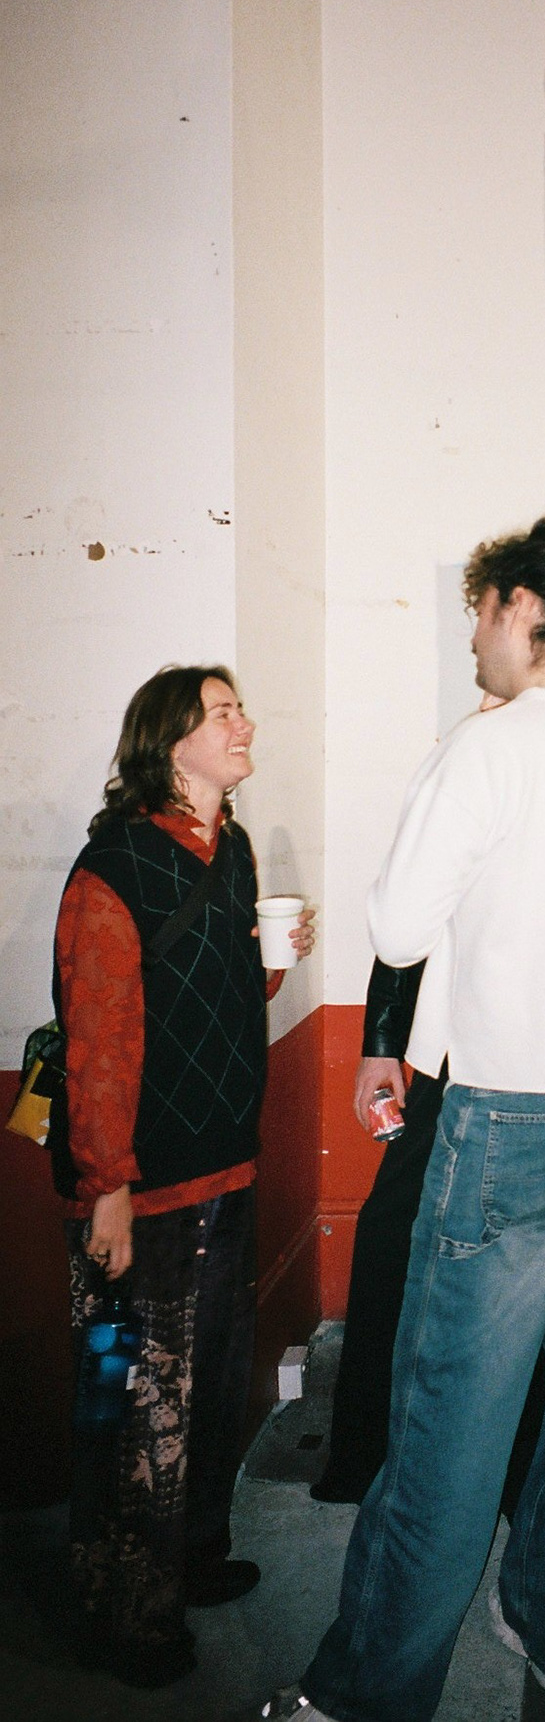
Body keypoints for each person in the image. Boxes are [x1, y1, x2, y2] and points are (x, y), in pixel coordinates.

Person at [260, 516, 545, 1722]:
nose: (470, 636)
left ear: (520, 605)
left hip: (517, 1108)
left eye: (478, 610)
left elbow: (400, 927)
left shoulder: (487, 748)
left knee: (447, 1410)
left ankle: (365, 1690)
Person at [52, 665, 314, 1688]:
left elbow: (225, 987)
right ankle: (125, 1618)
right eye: (221, 712)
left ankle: (194, 1559)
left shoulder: (232, 848)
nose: (245, 722)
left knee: (205, 1386)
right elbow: (98, 1040)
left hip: (225, 1168)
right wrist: (106, 1188)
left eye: (241, 707)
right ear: (170, 744)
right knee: (134, 1407)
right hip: (144, 1192)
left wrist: (276, 959)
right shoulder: (113, 867)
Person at [310, 953, 545, 1514]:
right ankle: (370, 1456)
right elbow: (405, 931)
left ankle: (519, 1473)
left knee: (530, 1252)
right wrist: (382, 1044)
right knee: (397, 1231)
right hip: (467, 1046)